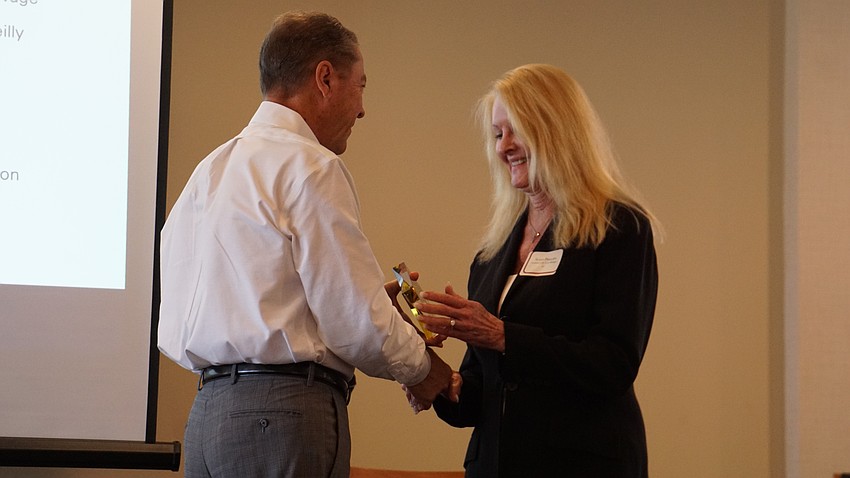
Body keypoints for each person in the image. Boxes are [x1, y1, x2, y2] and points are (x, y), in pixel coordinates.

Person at [157, 11, 456, 478]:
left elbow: (208, 309)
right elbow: (356, 323)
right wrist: (427, 371)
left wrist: (362, 305)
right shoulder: (310, 166)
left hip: (208, 421)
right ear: (324, 78)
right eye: (360, 85)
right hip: (281, 418)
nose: (361, 109)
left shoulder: (208, 172)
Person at [411, 64, 659, 477]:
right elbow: (479, 395)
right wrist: (435, 379)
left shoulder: (619, 228)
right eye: (496, 134)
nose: (503, 146)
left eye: (515, 130)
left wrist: (503, 335)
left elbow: (613, 364)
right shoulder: (491, 255)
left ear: (556, 129)